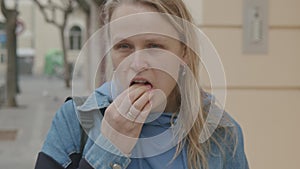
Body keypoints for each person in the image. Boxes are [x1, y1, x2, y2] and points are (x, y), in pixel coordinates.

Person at [35, 0, 249, 169]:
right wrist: (109, 147)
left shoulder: (221, 134)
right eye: (124, 46)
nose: (137, 64)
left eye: (154, 45)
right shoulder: (74, 120)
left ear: (183, 52)